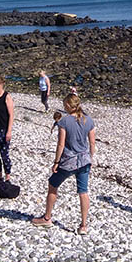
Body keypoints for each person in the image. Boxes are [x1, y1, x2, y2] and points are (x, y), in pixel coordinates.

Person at [32, 93, 97, 233]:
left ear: (68, 105)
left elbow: (61, 145)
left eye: (64, 105)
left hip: (69, 161)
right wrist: (90, 157)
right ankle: (83, 225)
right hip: (84, 161)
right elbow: (92, 142)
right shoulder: (89, 120)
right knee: (83, 191)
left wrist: (56, 162)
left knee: (53, 184)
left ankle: (47, 217)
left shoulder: (64, 122)